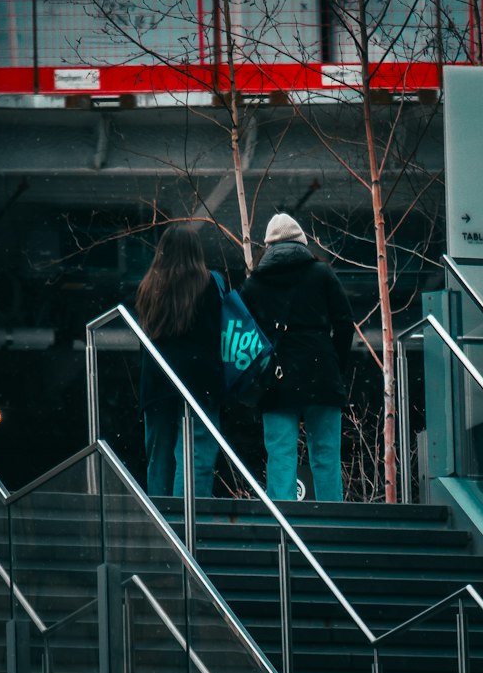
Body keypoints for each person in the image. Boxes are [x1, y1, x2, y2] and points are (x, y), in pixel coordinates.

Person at [240, 213, 354, 502]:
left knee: (280, 454)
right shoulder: (321, 274)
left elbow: (244, 336)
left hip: (276, 377)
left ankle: (284, 524)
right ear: (302, 242)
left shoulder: (254, 285)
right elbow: (344, 322)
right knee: (326, 453)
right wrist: (335, 363)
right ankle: (334, 524)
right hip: (321, 371)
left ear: (267, 246)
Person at [135, 225, 223, 497]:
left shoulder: (148, 286)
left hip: (157, 379)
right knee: (195, 456)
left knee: (158, 456)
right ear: (197, 252)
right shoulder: (209, 282)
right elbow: (217, 332)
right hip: (198, 380)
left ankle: (162, 525)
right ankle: (190, 525)